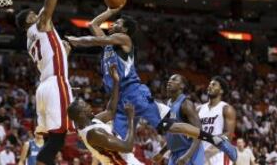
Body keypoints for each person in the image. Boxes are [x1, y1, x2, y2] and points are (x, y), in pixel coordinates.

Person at [66, 9, 237, 162]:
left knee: (168, 126)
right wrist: (111, 10)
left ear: (125, 29)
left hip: (134, 93)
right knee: (119, 143)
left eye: (118, 22)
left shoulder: (124, 39)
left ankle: (215, 140)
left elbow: (93, 40)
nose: (113, 23)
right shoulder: (108, 45)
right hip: (118, 99)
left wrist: (75, 41)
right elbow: (93, 24)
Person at [15, 0, 73, 165]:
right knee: (58, 140)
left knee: (51, 139)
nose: (42, 13)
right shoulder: (40, 25)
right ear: (33, 19)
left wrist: (64, 52)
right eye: (36, 13)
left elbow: (51, 54)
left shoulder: (32, 39)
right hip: (55, 83)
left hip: (45, 86)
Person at [67, 65, 143, 164]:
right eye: (85, 106)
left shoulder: (91, 122)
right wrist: (131, 119)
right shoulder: (94, 133)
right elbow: (127, 147)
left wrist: (116, 82)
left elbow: (110, 111)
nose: (89, 106)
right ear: (81, 114)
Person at [154, 74, 204, 165]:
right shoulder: (169, 103)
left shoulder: (186, 104)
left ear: (182, 86)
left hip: (189, 152)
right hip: (174, 154)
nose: (169, 82)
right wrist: (161, 152)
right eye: (169, 80)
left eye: (174, 80)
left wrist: (187, 156)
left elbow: (199, 133)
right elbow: (172, 136)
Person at [198, 76, 237, 165]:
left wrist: (209, 151)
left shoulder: (226, 109)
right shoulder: (199, 109)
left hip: (218, 156)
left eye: (214, 85)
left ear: (221, 91)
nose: (210, 86)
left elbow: (228, 135)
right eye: (209, 84)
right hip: (200, 154)